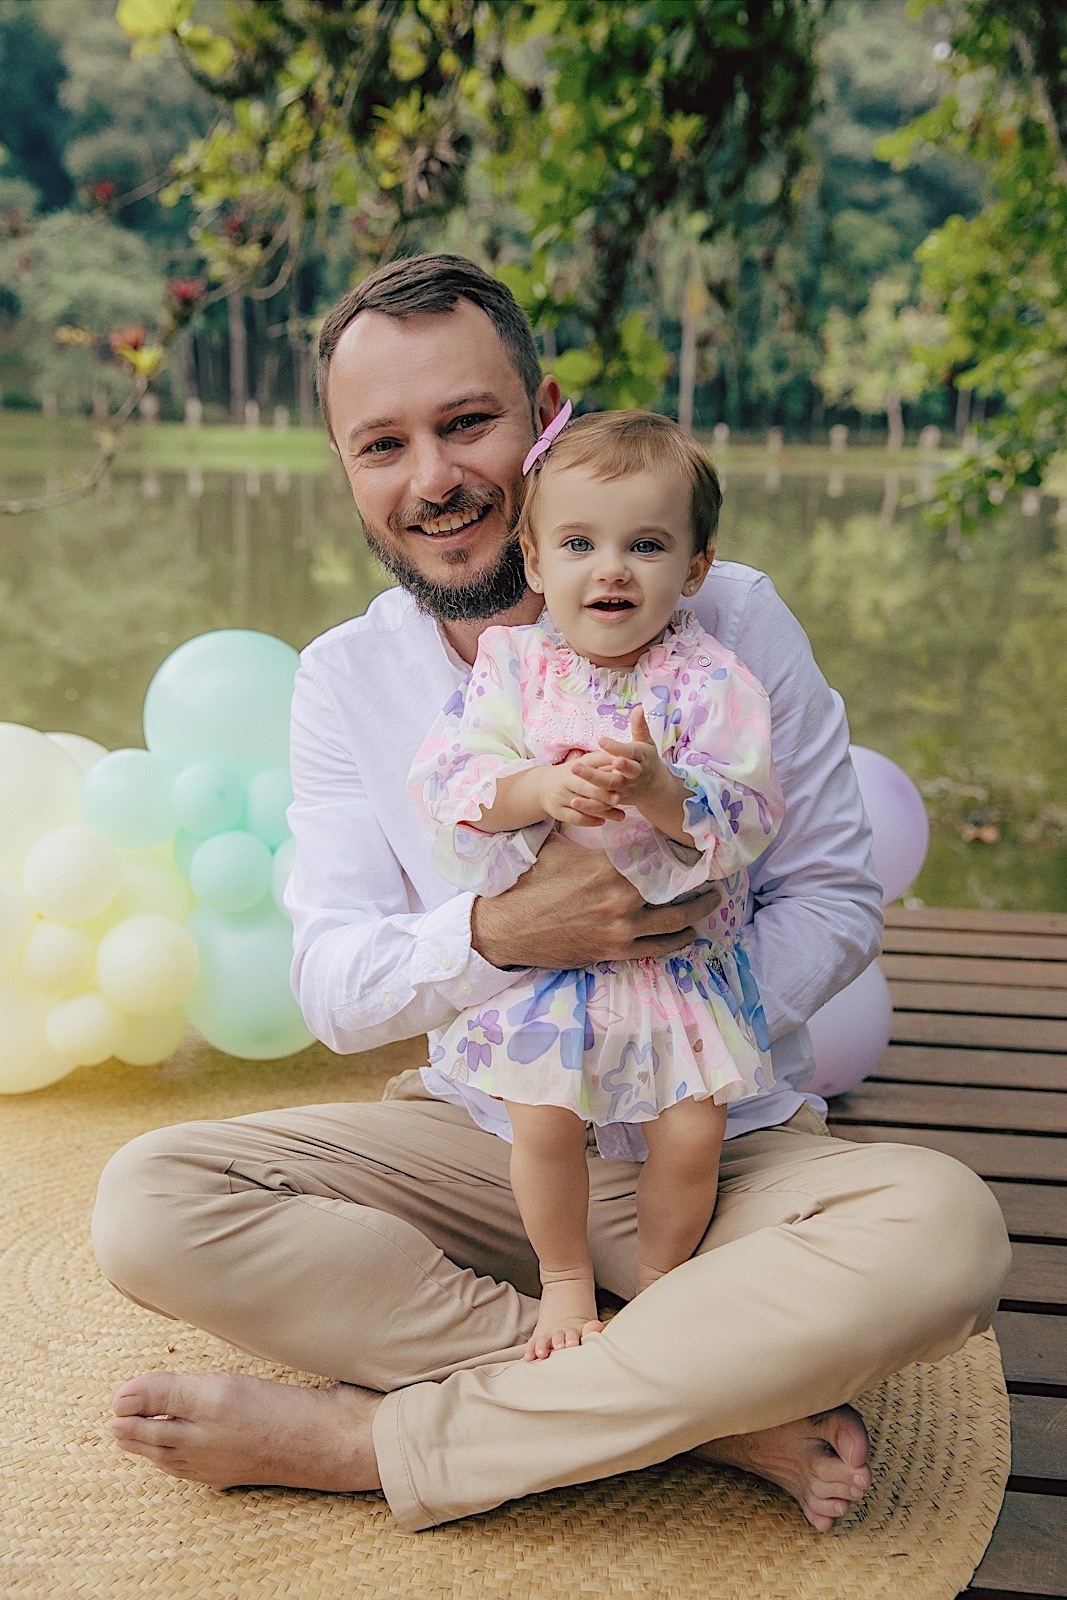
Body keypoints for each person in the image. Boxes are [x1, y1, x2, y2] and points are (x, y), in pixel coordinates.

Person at [91, 252, 1011, 1538]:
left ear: (547, 416)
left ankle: (382, 1440)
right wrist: (501, 933)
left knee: (944, 1236)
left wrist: (666, 1012)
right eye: (382, 445)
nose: (433, 479)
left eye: (466, 422)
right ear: (346, 470)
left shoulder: (730, 617)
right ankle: (708, 1401)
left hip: (721, 1142)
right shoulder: (346, 679)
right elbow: (334, 986)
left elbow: (836, 897)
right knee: (151, 1204)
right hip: (491, 1139)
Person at [409, 406, 785, 1361]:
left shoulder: (711, 680)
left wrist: (666, 791)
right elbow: (450, 776)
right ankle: (566, 1280)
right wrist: (538, 786)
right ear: (533, 560)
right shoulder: (516, 667)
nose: (609, 568)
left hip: (672, 970)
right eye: (578, 542)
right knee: (541, 1125)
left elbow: (749, 810)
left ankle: (661, 1281)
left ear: (694, 568)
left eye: (645, 544)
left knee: (693, 1134)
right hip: (554, 969)